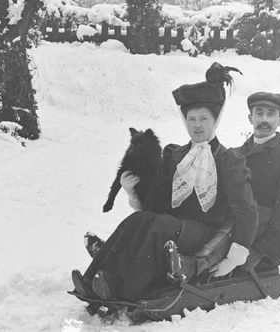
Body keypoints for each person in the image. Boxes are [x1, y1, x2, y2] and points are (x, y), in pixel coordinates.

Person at [71, 62, 258, 302]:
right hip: (175, 225)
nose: (197, 125)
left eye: (203, 119)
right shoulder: (176, 155)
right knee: (138, 219)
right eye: (191, 119)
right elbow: (159, 198)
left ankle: (121, 292)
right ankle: (92, 281)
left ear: (215, 121)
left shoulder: (228, 159)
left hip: (206, 231)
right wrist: (132, 192)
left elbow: (246, 209)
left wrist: (235, 255)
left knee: (158, 228)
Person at [213, 91, 280, 276]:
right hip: (226, 236)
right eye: (259, 113)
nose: (264, 119)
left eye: (271, 114)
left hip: (260, 249)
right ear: (250, 117)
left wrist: (256, 254)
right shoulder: (234, 155)